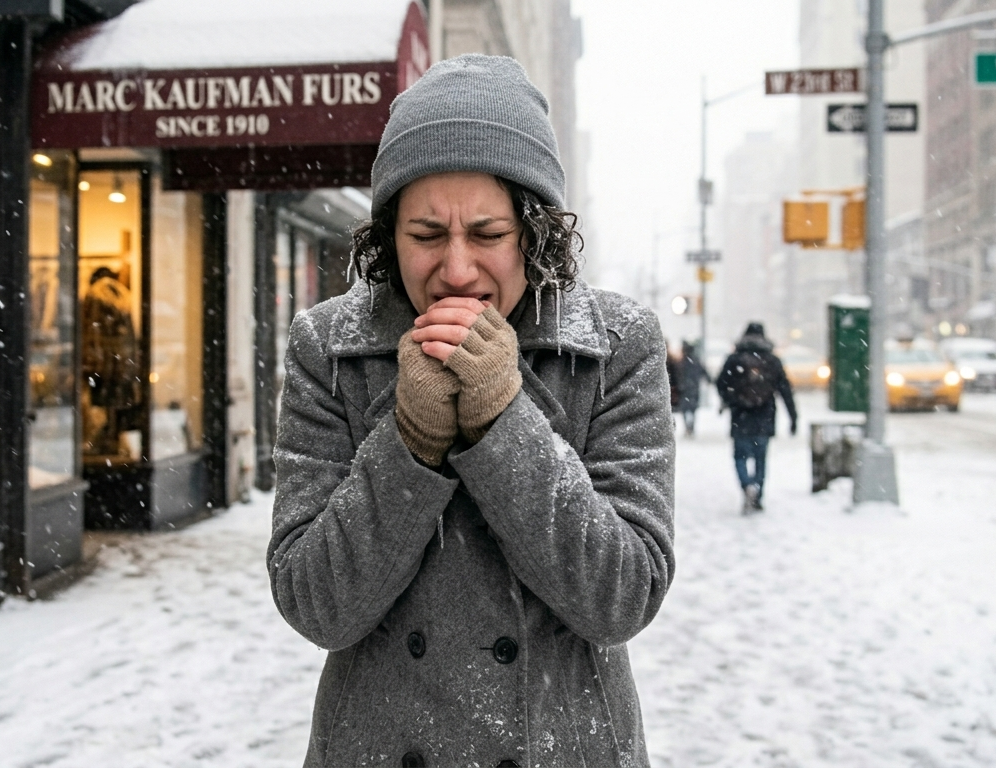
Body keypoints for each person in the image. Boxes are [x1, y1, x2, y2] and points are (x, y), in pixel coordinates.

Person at [268, 55, 676, 768]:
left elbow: (622, 598)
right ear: (390, 237)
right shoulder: (328, 349)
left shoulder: (616, 347)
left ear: (535, 233)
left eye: (487, 235)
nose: (456, 270)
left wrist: (502, 422)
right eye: (427, 235)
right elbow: (316, 605)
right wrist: (410, 441)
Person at [716, 322, 797, 513]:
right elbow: (785, 390)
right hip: (765, 416)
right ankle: (758, 492)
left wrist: (731, 399)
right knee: (761, 458)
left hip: (740, 416)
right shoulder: (772, 360)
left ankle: (746, 486)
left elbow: (720, 383)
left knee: (740, 456)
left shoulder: (734, 359)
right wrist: (794, 417)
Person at [675, 339, 710, 436]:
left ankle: (687, 427)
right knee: (693, 408)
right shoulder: (696, 361)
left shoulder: (681, 362)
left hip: (684, 388)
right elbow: (704, 373)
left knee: (685, 408)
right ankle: (691, 427)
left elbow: (676, 375)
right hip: (694, 388)